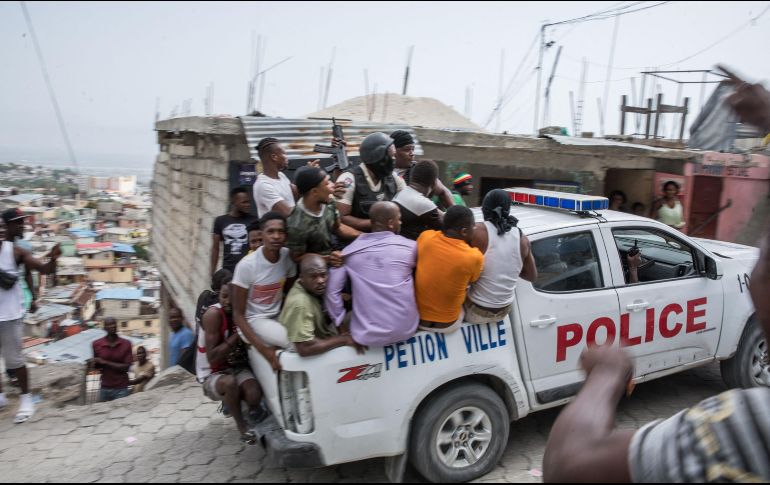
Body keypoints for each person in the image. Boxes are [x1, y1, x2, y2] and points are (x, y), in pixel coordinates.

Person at [543, 72, 770, 484]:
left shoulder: (747, 427)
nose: (754, 276)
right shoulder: (752, 427)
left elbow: (569, 466)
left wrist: (607, 375)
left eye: (765, 269)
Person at [326, 202, 420, 346]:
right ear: (390, 223)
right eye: (399, 219)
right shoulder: (411, 247)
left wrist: (341, 326)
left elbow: (332, 292)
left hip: (367, 336)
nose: (400, 222)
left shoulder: (348, 253)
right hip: (407, 329)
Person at [0, 208, 60, 423]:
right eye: (18, 222)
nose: (22, 226)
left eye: (22, 222)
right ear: (6, 225)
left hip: (9, 315)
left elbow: (44, 270)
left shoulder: (16, 252)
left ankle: (26, 400)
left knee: (15, 360)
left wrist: (53, 260)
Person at [197, 282, 262, 444]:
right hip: (212, 374)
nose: (227, 301)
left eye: (231, 298)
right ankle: (242, 427)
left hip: (234, 367)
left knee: (254, 395)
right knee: (230, 383)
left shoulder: (239, 312)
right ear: (219, 296)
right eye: (224, 297)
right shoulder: (213, 315)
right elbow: (213, 358)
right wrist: (237, 336)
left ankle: (239, 404)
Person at [231, 212, 297, 372]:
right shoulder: (247, 265)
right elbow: (238, 315)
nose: (276, 236)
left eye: (281, 232)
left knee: (307, 335)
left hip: (277, 314)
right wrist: (266, 352)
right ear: (263, 235)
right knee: (295, 344)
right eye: (271, 232)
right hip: (254, 319)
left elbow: (290, 291)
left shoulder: (287, 257)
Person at [466, 190, 537, 324]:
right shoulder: (522, 240)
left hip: (475, 310)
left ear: (484, 208)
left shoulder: (476, 232)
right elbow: (531, 276)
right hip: (503, 311)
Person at [415, 206, 484, 333]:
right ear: (464, 231)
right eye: (473, 226)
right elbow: (474, 280)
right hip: (448, 325)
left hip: (419, 321)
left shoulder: (425, 237)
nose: (475, 229)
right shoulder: (474, 256)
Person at [280, 254, 362, 356]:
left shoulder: (306, 286)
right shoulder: (300, 304)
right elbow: (305, 348)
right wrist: (343, 340)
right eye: (313, 276)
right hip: (314, 344)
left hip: (323, 332)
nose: (320, 281)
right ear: (302, 277)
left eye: (323, 275)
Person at [286, 166, 360, 266]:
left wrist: (363, 236)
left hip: (334, 252)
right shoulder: (296, 224)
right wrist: (327, 259)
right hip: (315, 269)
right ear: (314, 192)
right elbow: (297, 257)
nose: (332, 186)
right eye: (327, 183)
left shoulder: (329, 202)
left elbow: (338, 228)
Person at [335, 132, 406, 232]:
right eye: (392, 156)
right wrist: (379, 224)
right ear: (380, 158)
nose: (395, 159)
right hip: (355, 240)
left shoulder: (394, 178)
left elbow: (408, 202)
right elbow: (341, 217)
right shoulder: (349, 179)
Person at [391, 129, 455, 209]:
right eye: (407, 150)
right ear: (393, 151)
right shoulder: (384, 172)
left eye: (413, 149)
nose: (412, 154)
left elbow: (443, 192)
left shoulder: (418, 171)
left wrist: (456, 214)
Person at [210, 187, 259, 278]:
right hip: (228, 272)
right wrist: (212, 272)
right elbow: (215, 248)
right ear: (234, 202)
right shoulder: (220, 221)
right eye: (244, 202)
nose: (248, 205)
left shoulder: (254, 220)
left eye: (248, 201)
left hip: (249, 269)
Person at [392, 160, 443, 241]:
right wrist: (444, 192)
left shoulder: (401, 193)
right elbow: (447, 228)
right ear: (434, 183)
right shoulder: (425, 204)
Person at [252, 137, 297, 218]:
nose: (287, 157)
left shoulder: (281, 176)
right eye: (284, 153)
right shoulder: (263, 185)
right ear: (274, 157)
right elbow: (288, 213)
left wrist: (308, 174)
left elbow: (296, 193)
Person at [91, 317, 133, 402]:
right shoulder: (96, 344)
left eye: (114, 324)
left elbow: (126, 367)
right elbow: (98, 366)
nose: (113, 326)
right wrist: (93, 364)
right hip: (104, 387)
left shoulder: (126, 343)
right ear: (105, 328)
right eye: (109, 324)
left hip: (121, 388)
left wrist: (105, 362)